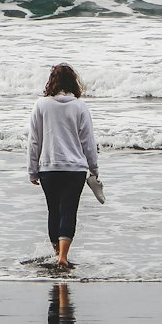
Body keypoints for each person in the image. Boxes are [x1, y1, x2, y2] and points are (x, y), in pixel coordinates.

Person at [27, 63, 99, 269]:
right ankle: (63, 257)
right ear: (73, 82)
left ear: (52, 82)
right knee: (69, 211)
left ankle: (58, 255)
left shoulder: (40, 105)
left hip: (48, 168)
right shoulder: (79, 106)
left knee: (54, 212)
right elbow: (88, 141)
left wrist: (32, 170)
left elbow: (34, 141)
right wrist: (94, 168)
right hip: (75, 169)